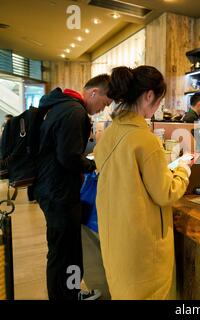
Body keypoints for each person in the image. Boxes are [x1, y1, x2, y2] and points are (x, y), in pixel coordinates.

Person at [94, 66, 193, 300]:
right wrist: (183, 168)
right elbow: (165, 193)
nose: (159, 105)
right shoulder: (144, 140)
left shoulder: (109, 134)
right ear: (149, 95)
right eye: (159, 100)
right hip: (143, 249)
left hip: (116, 240)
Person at [34, 74, 112, 300]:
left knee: (66, 249)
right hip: (60, 193)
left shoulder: (61, 106)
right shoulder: (75, 112)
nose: (101, 110)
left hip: (53, 189)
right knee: (63, 251)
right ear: (94, 93)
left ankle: (71, 292)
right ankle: (66, 296)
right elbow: (68, 156)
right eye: (104, 104)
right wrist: (94, 164)